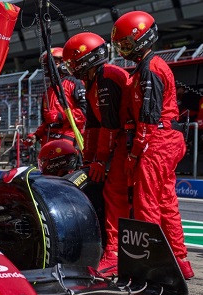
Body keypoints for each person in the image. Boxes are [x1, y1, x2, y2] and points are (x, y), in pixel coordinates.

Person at [112, 10, 194, 279]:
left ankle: (151, 265)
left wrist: (135, 152)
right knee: (166, 201)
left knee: (147, 202)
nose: (123, 50)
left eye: (126, 44)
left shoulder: (151, 68)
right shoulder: (148, 67)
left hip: (156, 141)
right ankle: (180, 261)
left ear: (142, 38)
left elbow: (149, 116)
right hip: (165, 140)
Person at [63, 32, 132, 276]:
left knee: (115, 193)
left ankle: (115, 254)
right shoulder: (93, 81)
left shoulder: (108, 78)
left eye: (73, 62)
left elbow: (111, 125)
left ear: (84, 60)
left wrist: (101, 161)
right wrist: (90, 158)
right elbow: (92, 126)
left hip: (128, 141)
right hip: (119, 140)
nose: (71, 67)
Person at [28, 47, 86, 147]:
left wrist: (60, 116)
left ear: (63, 63)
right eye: (46, 65)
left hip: (68, 138)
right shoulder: (48, 90)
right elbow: (47, 121)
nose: (48, 67)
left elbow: (84, 112)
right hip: (48, 141)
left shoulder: (75, 83)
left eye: (53, 63)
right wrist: (36, 135)